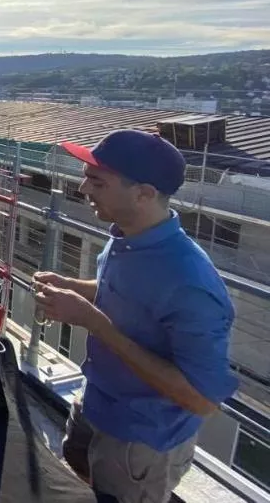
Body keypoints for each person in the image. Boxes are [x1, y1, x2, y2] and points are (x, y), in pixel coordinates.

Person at [34, 129, 238, 503]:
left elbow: (201, 400)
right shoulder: (128, 236)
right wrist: (75, 287)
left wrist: (92, 322)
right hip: (99, 404)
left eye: (96, 181)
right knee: (81, 478)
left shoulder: (191, 282)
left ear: (143, 193)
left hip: (138, 440)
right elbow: (122, 294)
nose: (83, 189)